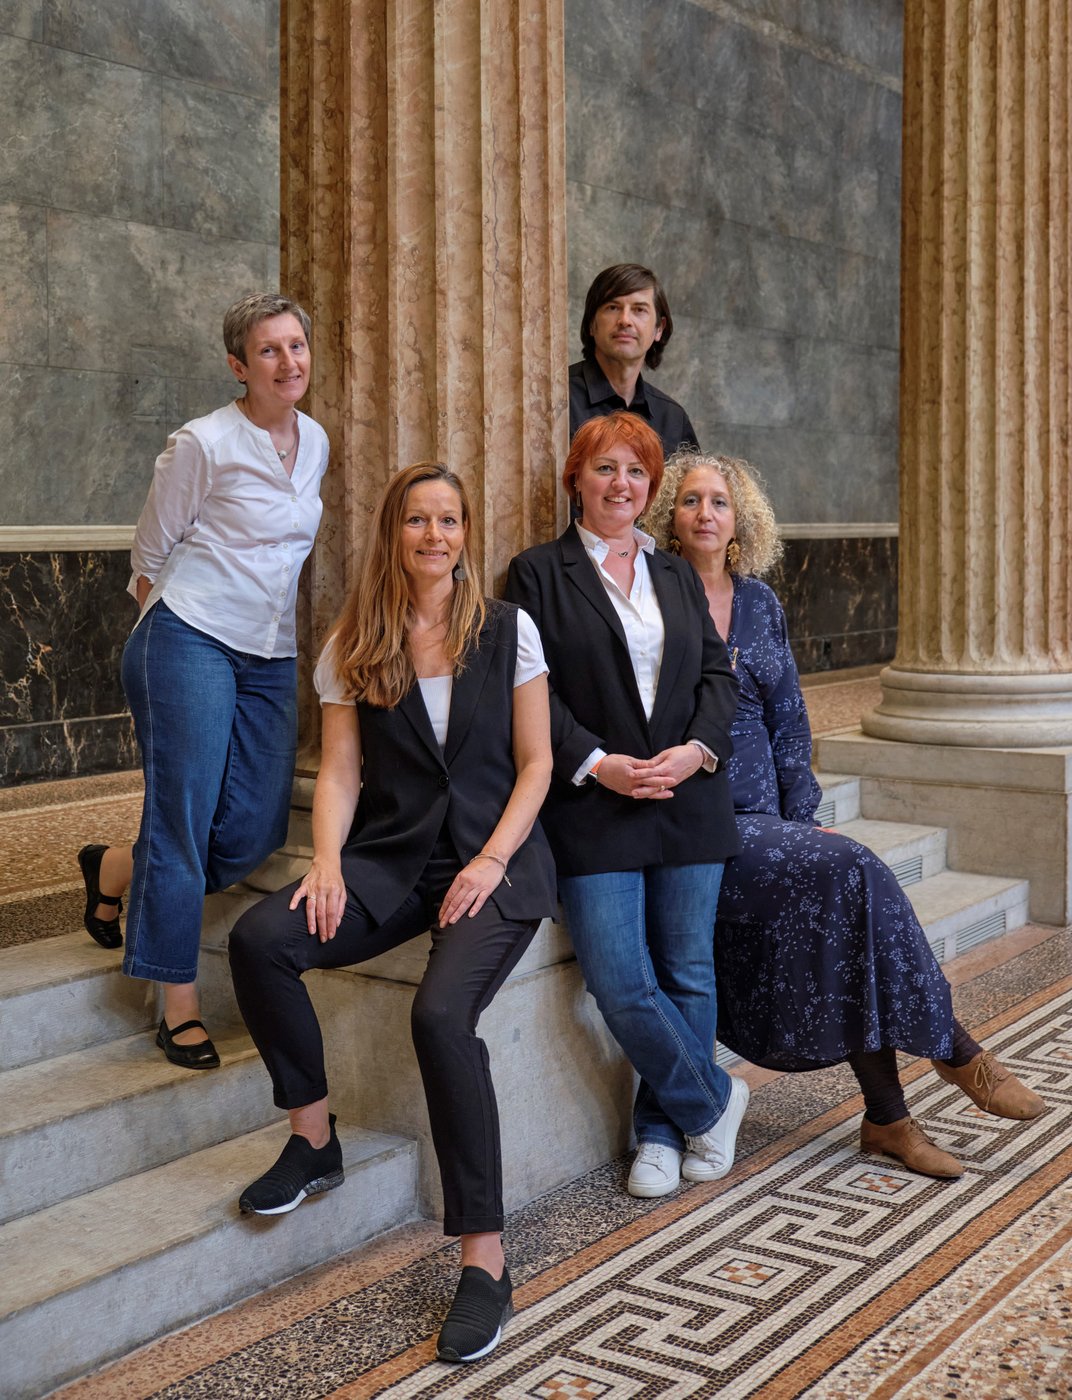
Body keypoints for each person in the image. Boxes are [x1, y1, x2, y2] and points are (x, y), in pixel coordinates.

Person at [228, 463, 556, 1364]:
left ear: (465, 535)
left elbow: (536, 764)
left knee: (442, 1015)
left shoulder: (509, 631)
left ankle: (484, 1262)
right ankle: (314, 1139)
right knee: (261, 938)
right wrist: (326, 861)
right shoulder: (355, 640)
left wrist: (491, 861)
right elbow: (338, 771)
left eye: (449, 520)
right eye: (418, 520)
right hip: (395, 859)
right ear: (393, 532)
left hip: (498, 862)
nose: (435, 536)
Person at [646, 452, 1046, 1178]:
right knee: (855, 870)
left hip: (770, 823)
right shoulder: (651, 599)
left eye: (720, 502)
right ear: (668, 516)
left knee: (846, 893)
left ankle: (889, 1120)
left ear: (741, 522)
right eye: (691, 500)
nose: (706, 513)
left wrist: (803, 818)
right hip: (698, 823)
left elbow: (790, 723)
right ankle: (954, 1052)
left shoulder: (760, 602)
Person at [76, 292, 330, 1071]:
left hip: (270, 651)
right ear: (237, 366)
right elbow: (148, 551)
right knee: (181, 820)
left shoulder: (314, 440)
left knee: (252, 829)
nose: (288, 363)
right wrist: (172, 631)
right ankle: (174, 1001)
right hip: (189, 636)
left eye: (296, 347)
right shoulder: (203, 444)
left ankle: (115, 868)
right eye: (268, 352)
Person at [505, 411, 748, 1202]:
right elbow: (531, 694)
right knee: (619, 979)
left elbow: (717, 677)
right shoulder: (537, 574)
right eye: (605, 469)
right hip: (595, 802)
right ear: (576, 478)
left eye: (636, 473)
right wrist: (599, 764)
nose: (621, 486)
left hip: (686, 795)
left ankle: (660, 1131)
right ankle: (715, 1097)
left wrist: (696, 751)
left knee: (687, 970)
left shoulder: (673, 573)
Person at [569, 263, 699, 457]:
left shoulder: (673, 418)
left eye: (639, 310)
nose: (625, 320)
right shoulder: (556, 398)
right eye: (613, 307)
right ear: (591, 324)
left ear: (659, 329)